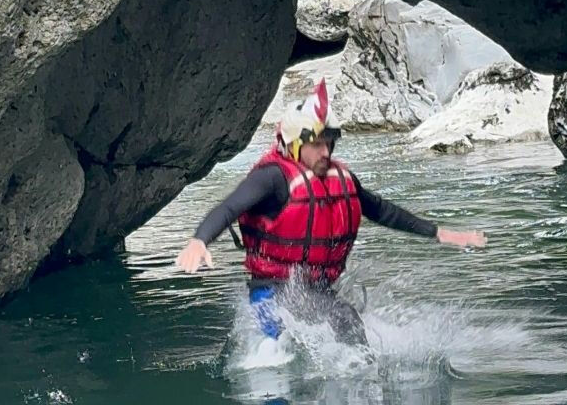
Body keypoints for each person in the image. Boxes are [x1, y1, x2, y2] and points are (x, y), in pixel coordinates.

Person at [175, 79, 487, 344]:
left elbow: (382, 210)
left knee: (345, 322)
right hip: (270, 294)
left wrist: (440, 233)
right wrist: (199, 240)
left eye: (330, 144)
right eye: (317, 145)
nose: (326, 152)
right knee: (318, 331)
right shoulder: (272, 178)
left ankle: (358, 402)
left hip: (316, 292)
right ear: (295, 145)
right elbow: (229, 207)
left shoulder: (341, 179)